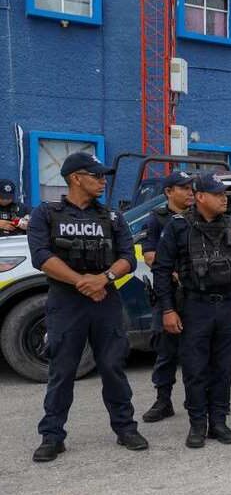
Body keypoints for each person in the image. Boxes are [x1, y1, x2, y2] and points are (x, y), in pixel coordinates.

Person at [27, 152, 148, 461]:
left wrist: (103, 279)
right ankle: (52, 436)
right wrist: (82, 281)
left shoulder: (113, 217)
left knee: (113, 367)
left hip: (105, 301)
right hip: (67, 303)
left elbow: (128, 258)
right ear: (75, 178)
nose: (102, 181)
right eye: (96, 176)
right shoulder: (46, 214)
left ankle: (125, 428)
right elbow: (41, 255)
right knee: (62, 370)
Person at [151, 174, 231, 447]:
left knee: (223, 368)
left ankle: (218, 422)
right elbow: (162, 271)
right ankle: (197, 424)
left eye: (225, 194)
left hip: (229, 305)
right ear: (200, 197)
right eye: (218, 194)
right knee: (195, 369)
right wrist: (167, 310)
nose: (224, 198)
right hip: (194, 306)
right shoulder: (178, 226)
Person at [141, 171, 195, 423]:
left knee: (197, 351)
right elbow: (149, 254)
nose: (190, 192)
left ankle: (198, 401)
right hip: (170, 294)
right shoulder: (158, 218)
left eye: (191, 187)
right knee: (166, 351)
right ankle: (163, 401)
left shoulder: (199, 216)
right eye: (183, 188)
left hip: (197, 294)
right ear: (169, 192)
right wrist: (172, 272)